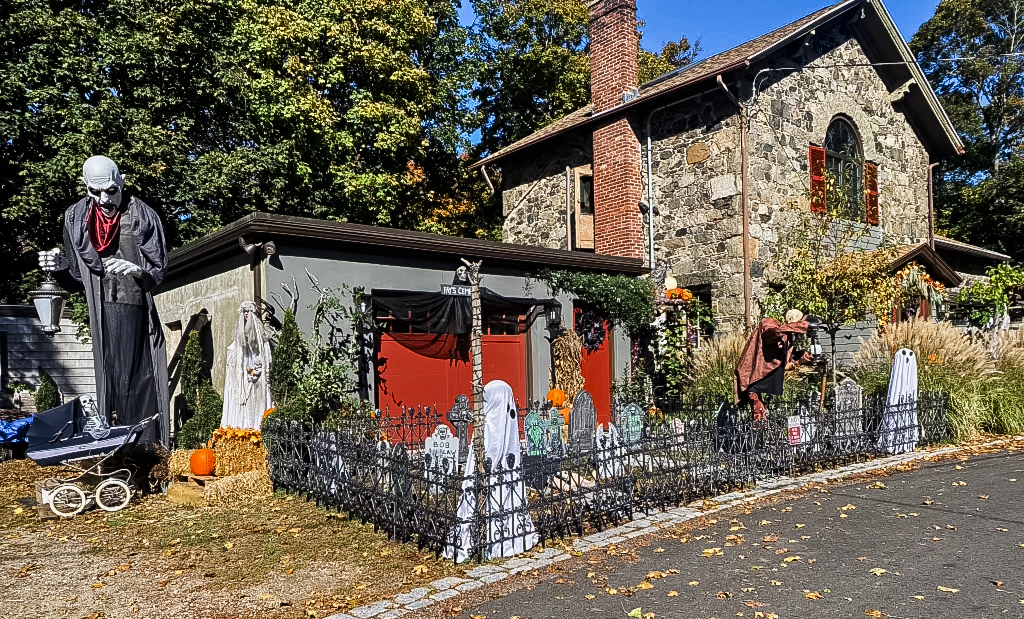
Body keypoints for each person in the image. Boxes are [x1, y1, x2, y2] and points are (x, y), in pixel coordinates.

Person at [38, 156, 169, 445]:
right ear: (85, 186)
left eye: (111, 190)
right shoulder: (76, 217)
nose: (104, 199)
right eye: (95, 191)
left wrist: (138, 270)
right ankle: (113, 445)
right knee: (108, 378)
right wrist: (59, 268)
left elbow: (159, 271)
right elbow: (76, 278)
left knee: (136, 378)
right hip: (100, 310)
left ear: (122, 182)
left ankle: (145, 446)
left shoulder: (141, 215)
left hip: (134, 308)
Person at [734, 310, 811, 420]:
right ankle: (758, 428)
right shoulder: (769, 323)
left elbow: (789, 357)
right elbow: (772, 334)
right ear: (790, 320)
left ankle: (763, 427)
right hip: (756, 376)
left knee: (763, 409)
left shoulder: (787, 337)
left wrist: (809, 358)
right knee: (757, 408)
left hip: (768, 376)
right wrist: (802, 326)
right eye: (798, 321)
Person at [220, 301, 273, 429]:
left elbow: (264, 356)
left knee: (257, 403)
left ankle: (256, 428)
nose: (245, 314)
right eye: (243, 312)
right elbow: (234, 353)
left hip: (257, 379)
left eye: (248, 311)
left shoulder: (261, 339)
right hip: (242, 377)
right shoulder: (239, 339)